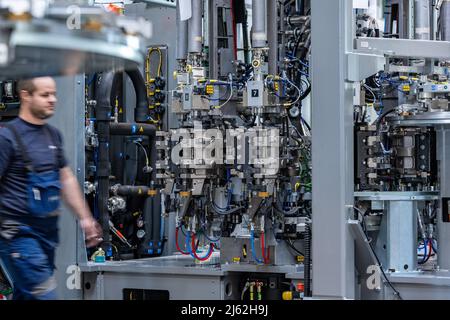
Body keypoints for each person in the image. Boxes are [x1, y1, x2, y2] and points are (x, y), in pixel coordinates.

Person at [0, 77, 102, 300]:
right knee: (45, 296)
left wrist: (85, 219)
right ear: (26, 96)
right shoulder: (7, 137)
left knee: (26, 296)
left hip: (46, 236)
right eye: (45, 95)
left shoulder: (52, 135)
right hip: (19, 237)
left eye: (54, 94)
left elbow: (66, 179)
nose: (52, 100)